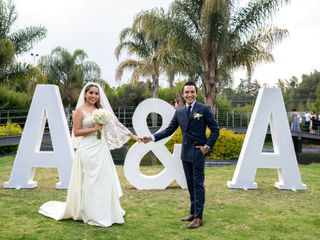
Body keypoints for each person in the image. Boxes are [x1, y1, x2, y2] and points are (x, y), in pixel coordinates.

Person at [38, 82, 139, 227]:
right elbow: (76, 132)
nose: (94, 96)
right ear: (85, 94)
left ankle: (106, 213)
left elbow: (117, 125)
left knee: (104, 179)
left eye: (96, 93)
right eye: (91, 93)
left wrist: (135, 137)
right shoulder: (79, 111)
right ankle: (92, 214)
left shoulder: (102, 110)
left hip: (101, 149)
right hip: (87, 149)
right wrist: (95, 129)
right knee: (91, 180)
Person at [141, 81, 219, 229]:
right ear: (183, 95)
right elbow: (169, 130)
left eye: (192, 92)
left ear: (196, 93)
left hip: (198, 152)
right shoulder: (179, 112)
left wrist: (207, 147)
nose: (189, 95)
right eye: (187, 92)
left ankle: (199, 217)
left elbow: (215, 130)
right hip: (185, 153)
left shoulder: (204, 109)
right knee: (190, 184)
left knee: (198, 184)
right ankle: (192, 212)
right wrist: (151, 137)